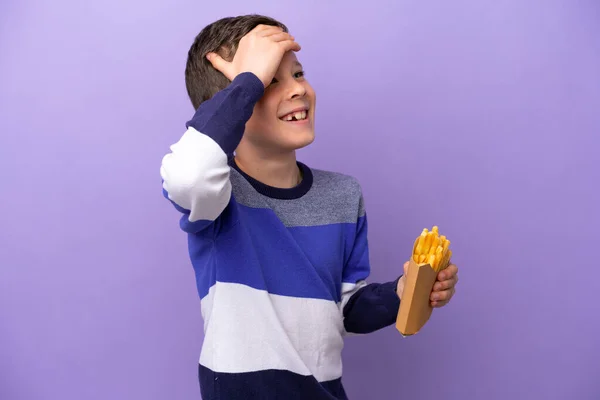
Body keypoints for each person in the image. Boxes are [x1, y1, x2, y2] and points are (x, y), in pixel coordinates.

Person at [160, 14, 459, 400]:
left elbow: (346, 307)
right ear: (230, 102)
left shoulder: (343, 195)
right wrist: (245, 83)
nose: (297, 90)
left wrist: (406, 291)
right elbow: (187, 173)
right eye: (270, 80)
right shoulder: (217, 197)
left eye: (298, 74)